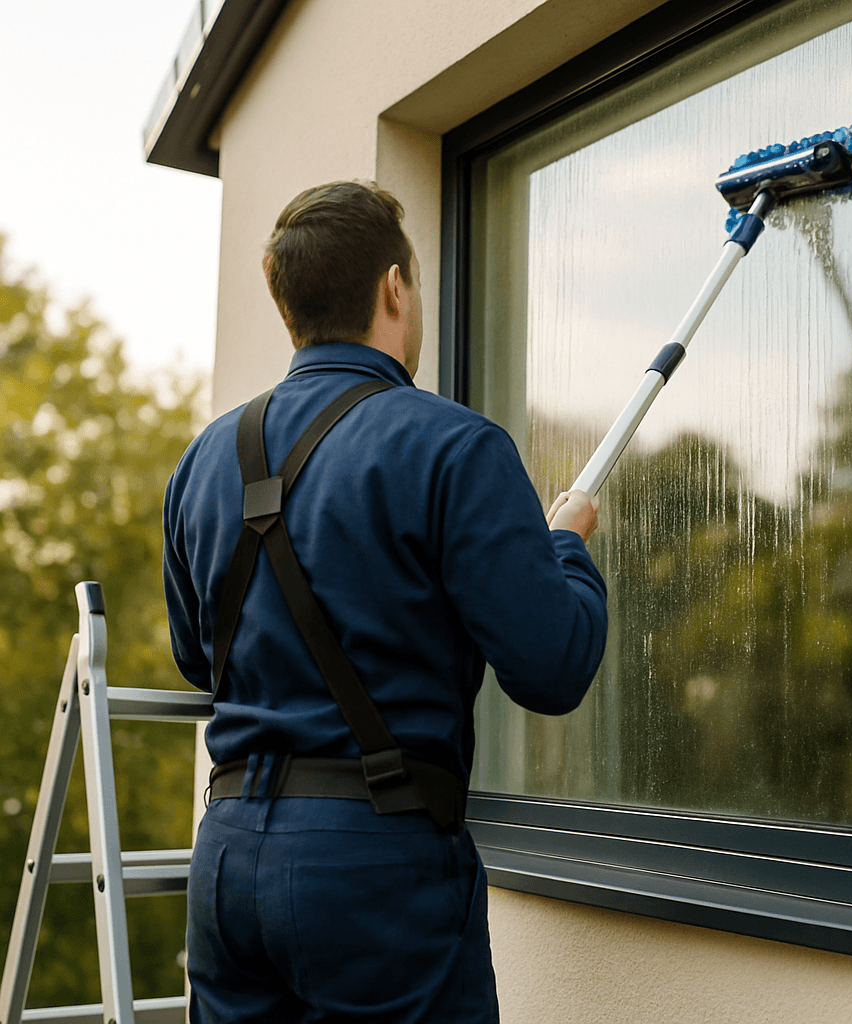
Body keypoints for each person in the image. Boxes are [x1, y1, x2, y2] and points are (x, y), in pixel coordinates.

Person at [163, 180, 607, 1024]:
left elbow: (196, 657)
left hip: (227, 865)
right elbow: (552, 668)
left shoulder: (204, 458)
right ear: (395, 287)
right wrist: (566, 549)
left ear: (285, 302)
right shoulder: (454, 445)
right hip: (375, 868)